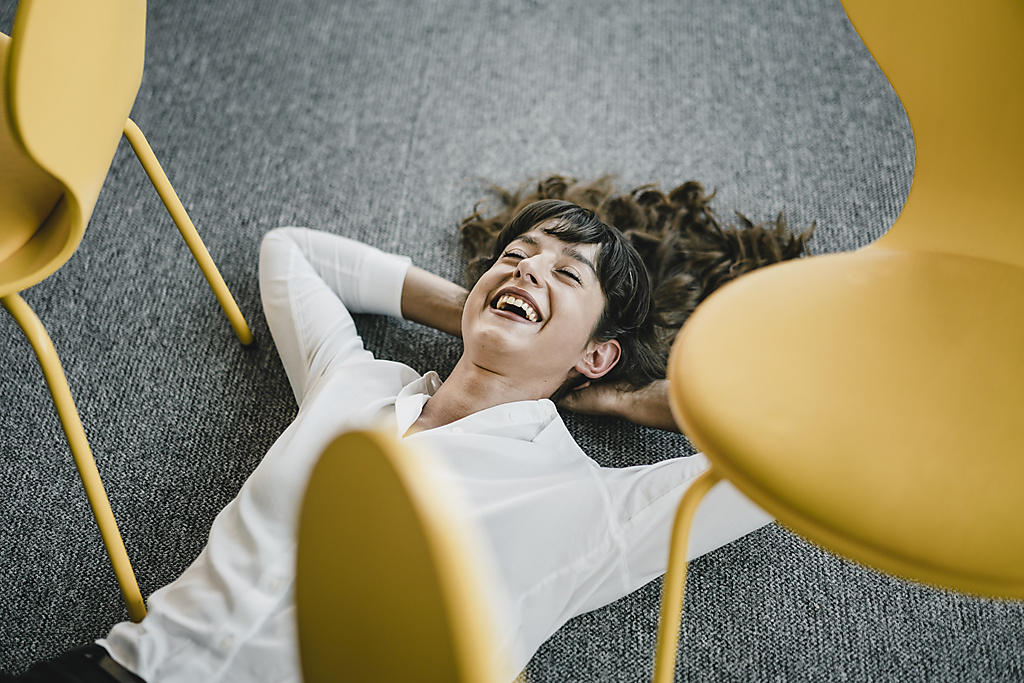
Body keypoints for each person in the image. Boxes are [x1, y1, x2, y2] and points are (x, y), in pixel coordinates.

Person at [6, 183, 811, 683]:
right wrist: (475, 305)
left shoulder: (591, 506)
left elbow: (788, 459)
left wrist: (635, 402)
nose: (529, 268)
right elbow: (290, 254)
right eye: (517, 255)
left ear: (598, 354)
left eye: (567, 274)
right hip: (121, 668)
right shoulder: (352, 381)